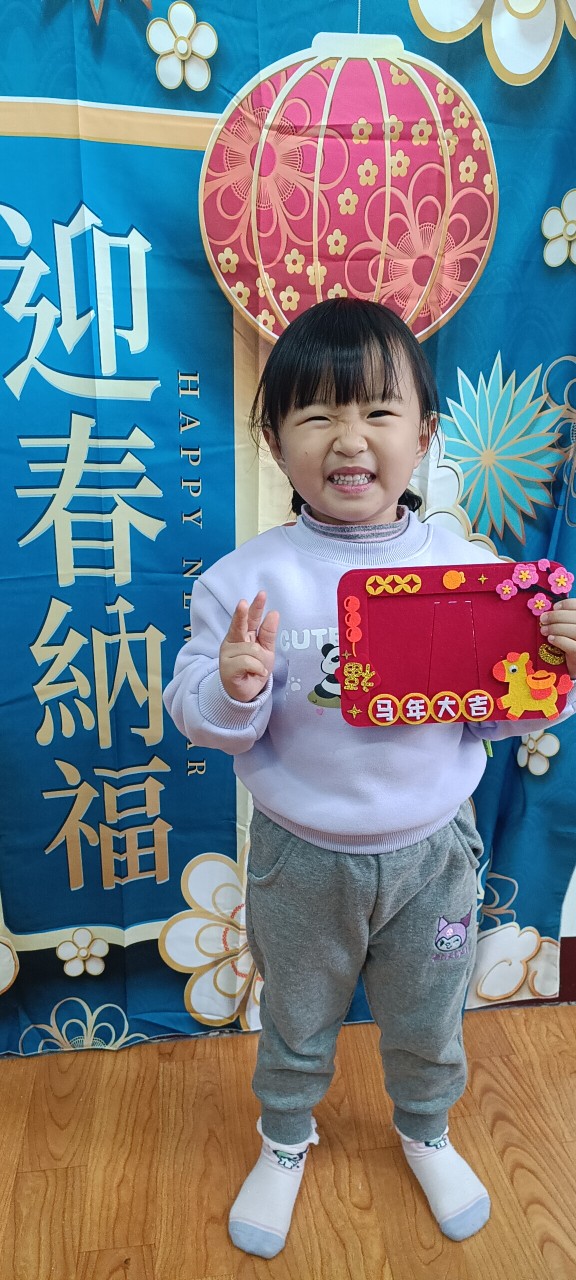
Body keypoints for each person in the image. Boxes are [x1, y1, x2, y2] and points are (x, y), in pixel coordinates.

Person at [164, 299, 576, 1258]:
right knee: (296, 1016)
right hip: (300, 859)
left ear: (424, 434)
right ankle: (285, 1138)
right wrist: (230, 686)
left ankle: (426, 1130)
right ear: (275, 442)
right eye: (317, 414)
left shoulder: (471, 567)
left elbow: (498, 713)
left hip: (435, 855)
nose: (350, 439)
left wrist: (552, 670)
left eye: (380, 411)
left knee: (430, 1014)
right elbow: (198, 712)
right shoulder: (242, 582)